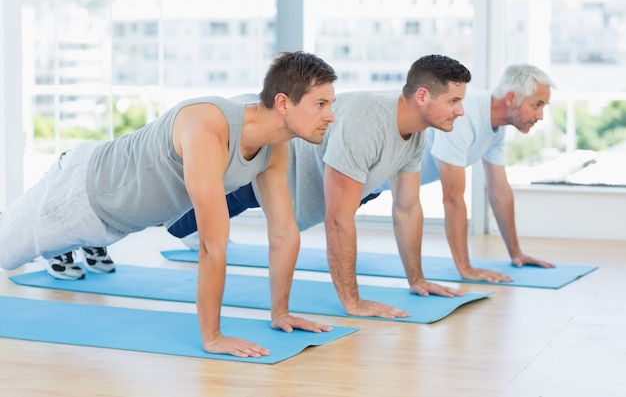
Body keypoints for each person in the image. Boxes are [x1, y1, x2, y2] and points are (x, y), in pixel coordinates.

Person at [0, 51, 338, 358]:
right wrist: (213, 337)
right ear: (283, 102)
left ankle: (63, 247)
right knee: (4, 253)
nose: (331, 116)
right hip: (78, 195)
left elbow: (283, 232)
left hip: (117, 220)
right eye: (320, 104)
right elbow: (211, 246)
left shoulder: (274, 147)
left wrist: (280, 312)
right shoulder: (210, 126)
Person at [168, 54, 472, 319]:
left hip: (286, 186)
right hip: (258, 170)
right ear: (422, 97)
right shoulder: (366, 123)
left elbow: (407, 208)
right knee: (166, 215)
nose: (460, 111)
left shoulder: (415, 134)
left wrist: (417, 280)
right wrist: (353, 302)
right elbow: (338, 221)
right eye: (453, 101)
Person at [367, 63, 557, 282]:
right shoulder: (464, 116)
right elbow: (452, 199)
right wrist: (465, 269)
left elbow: (500, 193)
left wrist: (516, 254)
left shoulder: (496, 129)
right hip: (365, 177)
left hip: (377, 184)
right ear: (511, 98)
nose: (541, 115)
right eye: (537, 105)